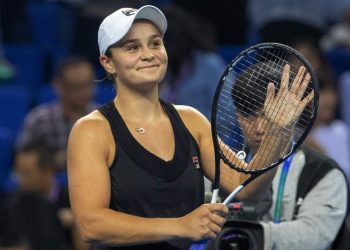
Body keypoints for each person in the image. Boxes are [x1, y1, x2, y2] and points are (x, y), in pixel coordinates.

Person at [67, 5, 313, 249]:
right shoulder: (92, 131)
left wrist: (277, 131)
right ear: (108, 63)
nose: (148, 53)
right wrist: (180, 226)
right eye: (132, 47)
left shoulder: (191, 121)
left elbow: (246, 187)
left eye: (155, 43)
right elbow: (91, 225)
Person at [16, 55, 97, 172]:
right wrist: (54, 161)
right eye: (76, 87)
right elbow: (22, 161)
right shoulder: (39, 119)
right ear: (59, 85)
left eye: (88, 85)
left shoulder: (103, 118)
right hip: (49, 184)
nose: (84, 93)